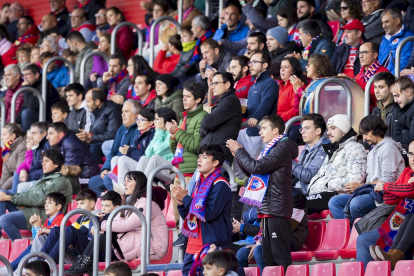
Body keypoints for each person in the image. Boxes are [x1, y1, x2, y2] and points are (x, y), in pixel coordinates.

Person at [228, 115, 298, 270]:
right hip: (268, 209)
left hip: (276, 209)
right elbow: (255, 174)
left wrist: (240, 151)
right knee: (269, 259)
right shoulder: (272, 149)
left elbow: (257, 167)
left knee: (279, 258)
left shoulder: (282, 148)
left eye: (264, 128)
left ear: (276, 130)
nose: (260, 132)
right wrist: (239, 157)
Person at [69, 172, 169, 275]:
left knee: (108, 231)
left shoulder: (147, 203)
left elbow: (127, 224)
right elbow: (116, 222)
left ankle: (84, 263)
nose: (124, 184)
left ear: (139, 184)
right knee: (106, 231)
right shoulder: (129, 203)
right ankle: (83, 263)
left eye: (129, 181)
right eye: (124, 180)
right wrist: (101, 225)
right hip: (139, 243)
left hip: (153, 247)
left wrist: (100, 225)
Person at [328, 115, 405, 223]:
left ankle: (359, 232)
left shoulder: (388, 148)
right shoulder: (372, 151)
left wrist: (360, 187)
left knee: (356, 203)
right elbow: (369, 179)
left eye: (366, 133)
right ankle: (350, 233)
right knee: (335, 202)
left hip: (387, 194)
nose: (364, 138)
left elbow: (388, 180)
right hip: (372, 191)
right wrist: (361, 189)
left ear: (375, 130)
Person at [171, 145, 232, 276]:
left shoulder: (220, 184)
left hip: (211, 245)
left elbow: (209, 214)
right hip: (192, 245)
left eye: (204, 157)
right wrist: (181, 203)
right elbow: (189, 215)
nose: (199, 160)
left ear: (215, 162)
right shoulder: (199, 184)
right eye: (199, 157)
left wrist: (186, 198)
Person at [355, 140, 414, 269]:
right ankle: (392, 255)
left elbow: (410, 190)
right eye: (411, 154)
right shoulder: (406, 172)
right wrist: (393, 188)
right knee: (363, 240)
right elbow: (389, 199)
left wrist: (386, 186)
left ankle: (395, 256)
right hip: (402, 222)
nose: (413, 159)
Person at [0, 148, 80, 241]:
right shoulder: (46, 178)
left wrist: (10, 197)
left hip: (44, 216)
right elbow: (28, 194)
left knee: (4, 219)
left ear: (56, 164)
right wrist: (8, 197)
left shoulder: (60, 180)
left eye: (47, 161)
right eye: (43, 161)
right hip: (33, 210)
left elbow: (40, 199)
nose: (43, 163)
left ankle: (21, 248)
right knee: (3, 192)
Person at [307, 114, 367, 215]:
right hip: (321, 193)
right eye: (328, 129)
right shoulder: (333, 149)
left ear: (343, 131)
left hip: (336, 195)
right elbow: (320, 175)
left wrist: (327, 184)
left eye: (333, 128)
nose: (328, 133)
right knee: (291, 203)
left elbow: (354, 182)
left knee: (297, 205)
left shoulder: (354, 149)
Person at [234, 52, 278, 179]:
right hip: (249, 129)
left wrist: (255, 118)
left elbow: (265, 105)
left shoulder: (270, 83)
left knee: (253, 166)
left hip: (260, 131)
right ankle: (239, 188)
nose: (250, 65)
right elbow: (251, 110)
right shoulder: (254, 85)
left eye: (254, 62)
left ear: (264, 65)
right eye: (250, 62)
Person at [5, 192, 70, 272]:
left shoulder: (62, 219)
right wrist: (34, 226)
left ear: (58, 206)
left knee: (31, 248)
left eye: (49, 203)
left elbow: (48, 240)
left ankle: (14, 268)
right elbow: (38, 240)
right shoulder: (48, 221)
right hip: (47, 253)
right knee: (31, 247)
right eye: (45, 203)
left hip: (59, 254)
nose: (45, 205)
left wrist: (37, 227)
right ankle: (14, 268)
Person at [88, 100, 140, 196]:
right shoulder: (121, 129)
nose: (122, 114)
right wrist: (106, 168)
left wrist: (112, 171)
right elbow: (113, 153)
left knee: (108, 179)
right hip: (115, 168)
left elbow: (135, 155)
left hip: (128, 170)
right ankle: (110, 205)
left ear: (136, 114)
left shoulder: (138, 129)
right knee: (93, 182)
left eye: (126, 111)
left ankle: (120, 203)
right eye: (122, 112)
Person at [107, 108, 155, 194]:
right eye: (137, 119)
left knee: (123, 160)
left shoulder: (152, 134)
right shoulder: (139, 134)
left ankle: (123, 190)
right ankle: (117, 188)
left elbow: (146, 157)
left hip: (146, 169)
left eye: (142, 120)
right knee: (115, 159)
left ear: (151, 122)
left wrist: (129, 151)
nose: (138, 122)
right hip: (137, 166)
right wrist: (128, 151)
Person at [201, 72, 242, 163]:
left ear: (227, 84)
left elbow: (206, 122)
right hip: (211, 155)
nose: (212, 87)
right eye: (212, 84)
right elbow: (203, 129)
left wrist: (207, 113)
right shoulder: (222, 101)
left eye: (215, 83)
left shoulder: (230, 101)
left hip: (219, 157)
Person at [79, 88, 123, 163]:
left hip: (109, 143)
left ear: (97, 101)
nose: (86, 104)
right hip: (97, 141)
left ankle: (96, 172)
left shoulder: (113, 109)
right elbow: (94, 131)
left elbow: (112, 134)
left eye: (88, 101)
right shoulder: (94, 110)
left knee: (94, 148)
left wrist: (90, 137)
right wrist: (87, 136)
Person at [134, 107, 176, 184]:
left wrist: (159, 131)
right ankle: (137, 185)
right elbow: (148, 153)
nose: (154, 122)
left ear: (164, 120)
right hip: (164, 169)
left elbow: (158, 150)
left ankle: (140, 188)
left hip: (173, 172)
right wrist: (159, 131)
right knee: (144, 159)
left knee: (155, 158)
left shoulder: (173, 133)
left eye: (157, 119)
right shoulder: (161, 132)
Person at [292, 113, 328, 196]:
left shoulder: (324, 149)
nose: (302, 132)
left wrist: (289, 161)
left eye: (307, 128)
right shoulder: (306, 149)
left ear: (318, 131)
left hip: (308, 192)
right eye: (302, 129)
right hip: (298, 189)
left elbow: (309, 176)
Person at [11, 122, 48, 194]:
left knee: (20, 187)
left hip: (40, 182)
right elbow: (24, 165)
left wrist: (29, 150)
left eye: (34, 133)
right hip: (31, 179)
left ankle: (15, 200)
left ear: (43, 134)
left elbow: (31, 166)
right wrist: (22, 169)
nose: (31, 137)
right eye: (30, 134)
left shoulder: (46, 148)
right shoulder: (37, 146)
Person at [378, 9, 414, 75]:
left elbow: (403, 64)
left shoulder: (408, 38)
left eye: (386, 22)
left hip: (394, 80)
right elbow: (379, 63)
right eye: (382, 23)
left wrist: (388, 80)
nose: (384, 26)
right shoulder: (384, 40)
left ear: (397, 21)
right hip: (383, 78)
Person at [355, 42, 389, 111]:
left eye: (364, 52)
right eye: (359, 53)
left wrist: (353, 83)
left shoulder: (383, 73)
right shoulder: (360, 74)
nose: (361, 56)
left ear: (375, 55)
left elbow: (375, 93)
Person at [277, 57, 307, 123]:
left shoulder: (297, 85)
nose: (282, 69)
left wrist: (279, 119)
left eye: (286, 67)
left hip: (288, 123)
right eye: (281, 67)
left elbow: (295, 110)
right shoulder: (279, 85)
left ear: (293, 70)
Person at [0, 124, 26, 191]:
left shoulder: (23, 147)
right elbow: (5, 175)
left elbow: (18, 173)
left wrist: (2, 189)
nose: (1, 138)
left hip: (20, 182)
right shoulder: (6, 150)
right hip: (11, 183)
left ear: (13, 136)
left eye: (4, 134)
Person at [372, 72, 397, 137]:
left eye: (381, 87)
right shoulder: (376, 110)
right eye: (375, 87)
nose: (376, 91)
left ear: (391, 88)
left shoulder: (399, 107)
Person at [391, 76, 414, 145]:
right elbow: (395, 135)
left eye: (397, 96)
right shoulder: (397, 108)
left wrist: (404, 133)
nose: (395, 100)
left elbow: (412, 138)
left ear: (408, 92)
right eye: (394, 96)